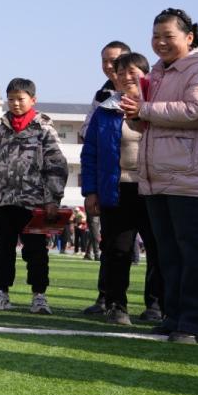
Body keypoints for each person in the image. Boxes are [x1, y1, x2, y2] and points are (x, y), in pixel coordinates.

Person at [121, 8, 198, 345]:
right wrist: (136, 115)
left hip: (191, 175)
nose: (160, 42)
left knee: (195, 253)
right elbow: (148, 123)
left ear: (189, 37)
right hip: (158, 174)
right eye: (156, 36)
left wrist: (144, 110)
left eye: (168, 36)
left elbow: (197, 111)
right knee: (169, 253)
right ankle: (176, 316)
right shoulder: (158, 72)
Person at [80, 52, 162, 326]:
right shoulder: (104, 111)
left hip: (155, 188)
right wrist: (91, 191)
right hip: (117, 190)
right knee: (117, 250)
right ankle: (117, 305)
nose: (128, 76)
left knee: (159, 250)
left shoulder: (160, 105)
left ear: (147, 74)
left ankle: (156, 304)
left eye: (134, 71)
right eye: (122, 71)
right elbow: (90, 154)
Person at [0, 78, 67, 315]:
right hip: (4, 202)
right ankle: (1, 293)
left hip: (35, 204)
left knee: (36, 252)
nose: (15, 103)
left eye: (20, 99)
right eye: (11, 99)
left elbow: (56, 166)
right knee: (2, 251)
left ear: (33, 100)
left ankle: (39, 296)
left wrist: (52, 199)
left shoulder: (44, 131)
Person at [78, 41, 128, 314]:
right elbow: (87, 134)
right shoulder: (102, 95)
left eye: (115, 60)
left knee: (153, 246)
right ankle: (106, 298)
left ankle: (156, 303)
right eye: (105, 61)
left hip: (145, 180)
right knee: (111, 244)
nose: (109, 66)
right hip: (111, 180)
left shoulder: (150, 89)